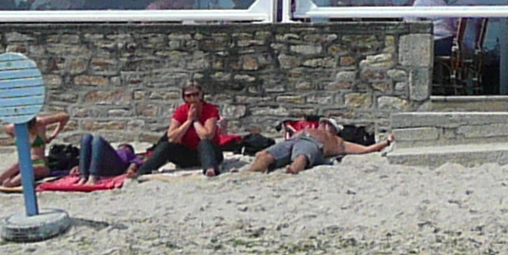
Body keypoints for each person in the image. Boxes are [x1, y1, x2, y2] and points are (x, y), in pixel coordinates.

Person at [127, 85, 231, 178]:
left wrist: (195, 121)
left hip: (210, 154)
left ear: (201, 95)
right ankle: (143, 171)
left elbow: (207, 135)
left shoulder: (210, 110)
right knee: (166, 146)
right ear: (184, 98)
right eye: (188, 96)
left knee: (204, 143)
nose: (192, 98)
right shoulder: (181, 111)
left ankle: (210, 169)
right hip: (187, 154)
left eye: (195, 95)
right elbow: (171, 136)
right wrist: (188, 121)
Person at [248, 115, 392, 174]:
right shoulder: (310, 129)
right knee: (264, 155)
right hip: (293, 140)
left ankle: (292, 170)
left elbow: (365, 150)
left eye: (327, 124)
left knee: (302, 156)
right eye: (322, 123)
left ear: (334, 129)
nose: (323, 125)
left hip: (313, 144)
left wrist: (386, 142)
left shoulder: (338, 141)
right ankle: (251, 173)